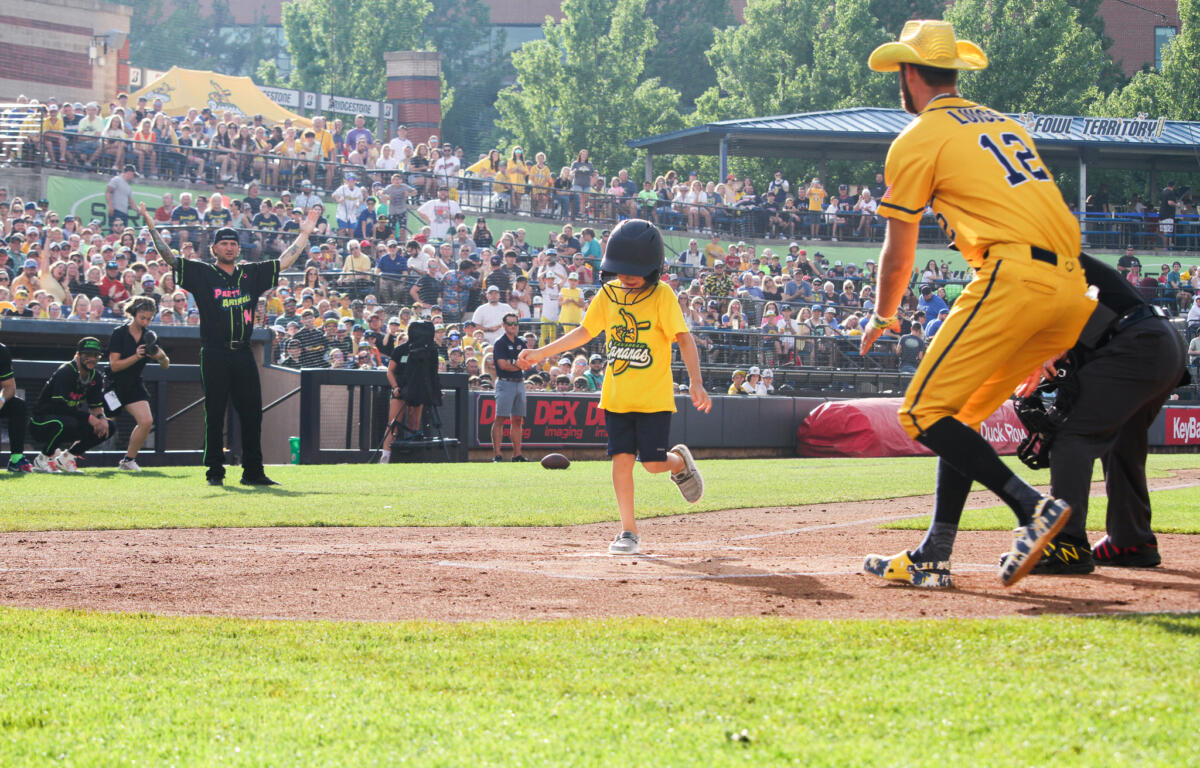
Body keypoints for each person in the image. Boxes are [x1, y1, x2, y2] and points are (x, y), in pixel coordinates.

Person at [858, 20, 1095, 589]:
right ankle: (933, 554)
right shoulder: (1003, 122)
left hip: (1013, 276)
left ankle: (1032, 508)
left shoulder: (919, 136)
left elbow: (899, 253)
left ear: (908, 72)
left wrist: (883, 315)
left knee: (920, 412)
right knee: (957, 416)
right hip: (1070, 287)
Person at [518, 219, 711, 555]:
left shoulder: (662, 295)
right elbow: (584, 331)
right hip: (617, 397)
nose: (627, 276)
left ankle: (678, 462)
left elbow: (683, 338)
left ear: (652, 268)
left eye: (635, 270)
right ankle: (628, 531)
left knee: (652, 464)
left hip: (653, 399)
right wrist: (540, 353)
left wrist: (696, 381)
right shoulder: (608, 294)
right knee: (621, 461)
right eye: (621, 269)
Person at [1016, 255, 1187, 574]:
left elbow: (1074, 301)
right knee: (1122, 443)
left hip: (1134, 343)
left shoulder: (1032, 255)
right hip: (1158, 342)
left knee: (1070, 434)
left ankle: (1066, 542)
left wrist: (1055, 344)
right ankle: (1131, 541)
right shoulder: (1042, 255)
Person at [141, 202, 319, 486]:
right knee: (214, 413)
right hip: (214, 352)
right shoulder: (202, 274)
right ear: (214, 248)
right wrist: (153, 229)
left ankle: (253, 471)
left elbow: (283, 262)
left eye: (233, 244)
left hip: (243, 352)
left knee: (252, 413)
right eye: (223, 244)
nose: (229, 248)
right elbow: (172, 260)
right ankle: (215, 472)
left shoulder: (250, 274)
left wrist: (305, 233)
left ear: (239, 249)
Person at [28, 337, 114, 474]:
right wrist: (89, 418)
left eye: (96, 355)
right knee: (67, 422)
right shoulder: (66, 372)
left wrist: (101, 418)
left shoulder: (95, 377)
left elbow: (95, 406)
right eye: (87, 355)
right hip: (41, 423)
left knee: (109, 426)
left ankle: (66, 459)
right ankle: (43, 459)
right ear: (78, 355)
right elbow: (58, 407)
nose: (92, 359)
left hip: (68, 421)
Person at [106, 296, 170, 471]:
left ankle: (128, 460)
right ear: (134, 313)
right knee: (103, 425)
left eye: (149, 319)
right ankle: (68, 455)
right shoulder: (119, 333)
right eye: (143, 318)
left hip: (134, 384)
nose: (145, 322)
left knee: (146, 421)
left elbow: (166, 364)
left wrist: (161, 357)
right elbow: (114, 366)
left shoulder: (150, 336)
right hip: (113, 385)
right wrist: (136, 356)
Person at [490, 312, 528, 462]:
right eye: (510, 323)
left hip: (520, 382)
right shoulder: (500, 342)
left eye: (515, 323)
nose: (513, 326)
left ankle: (517, 454)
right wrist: (519, 365)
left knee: (517, 420)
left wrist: (516, 365)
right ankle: (497, 455)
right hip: (505, 382)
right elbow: (503, 365)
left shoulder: (521, 343)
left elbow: (527, 363)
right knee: (500, 418)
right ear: (504, 325)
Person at [0, 340, 33, 472]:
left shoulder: (1, 351)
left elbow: (9, 387)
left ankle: (16, 460)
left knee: (17, 405)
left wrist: (1, 400)